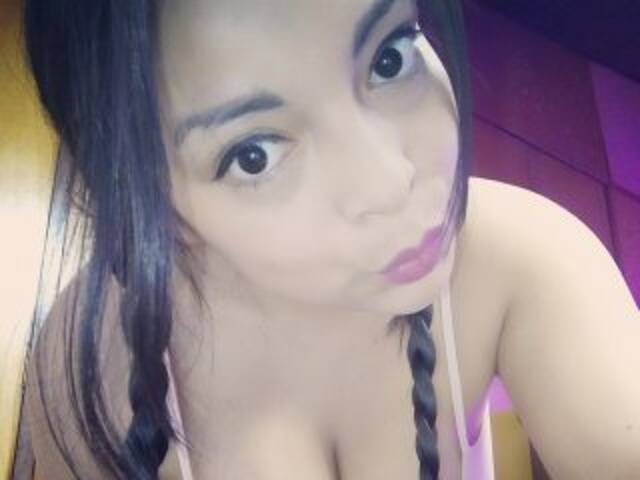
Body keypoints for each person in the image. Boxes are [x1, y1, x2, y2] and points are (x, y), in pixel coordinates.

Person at [12, 0, 640, 478]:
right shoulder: (90, 373)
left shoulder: (522, 260)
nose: (391, 181)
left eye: (389, 58)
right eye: (254, 155)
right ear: (147, 195)